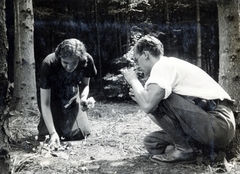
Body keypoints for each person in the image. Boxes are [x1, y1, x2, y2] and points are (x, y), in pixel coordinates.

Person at [121, 35, 235, 164]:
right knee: (152, 141)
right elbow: (164, 119)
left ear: (146, 54)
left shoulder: (161, 66)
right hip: (213, 125)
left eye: (137, 60)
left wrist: (134, 81)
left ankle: (184, 150)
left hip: (218, 123)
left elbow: (149, 106)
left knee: (161, 100)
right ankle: (197, 151)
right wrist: (141, 99)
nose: (138, 66)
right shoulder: (169, 65)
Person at [37, 38, 97, 147]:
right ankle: (48, 127)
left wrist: (83, 98)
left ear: (80, 58)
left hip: (72, 95)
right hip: (52, 98)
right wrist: (52, 133)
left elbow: (85, 85)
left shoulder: (87, 60)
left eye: (74, 62)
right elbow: (45, 103)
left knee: (82, 133)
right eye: (65, 62)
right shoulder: (49, 63)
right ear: (59, 57)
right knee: (47, 137)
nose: (69, 67)